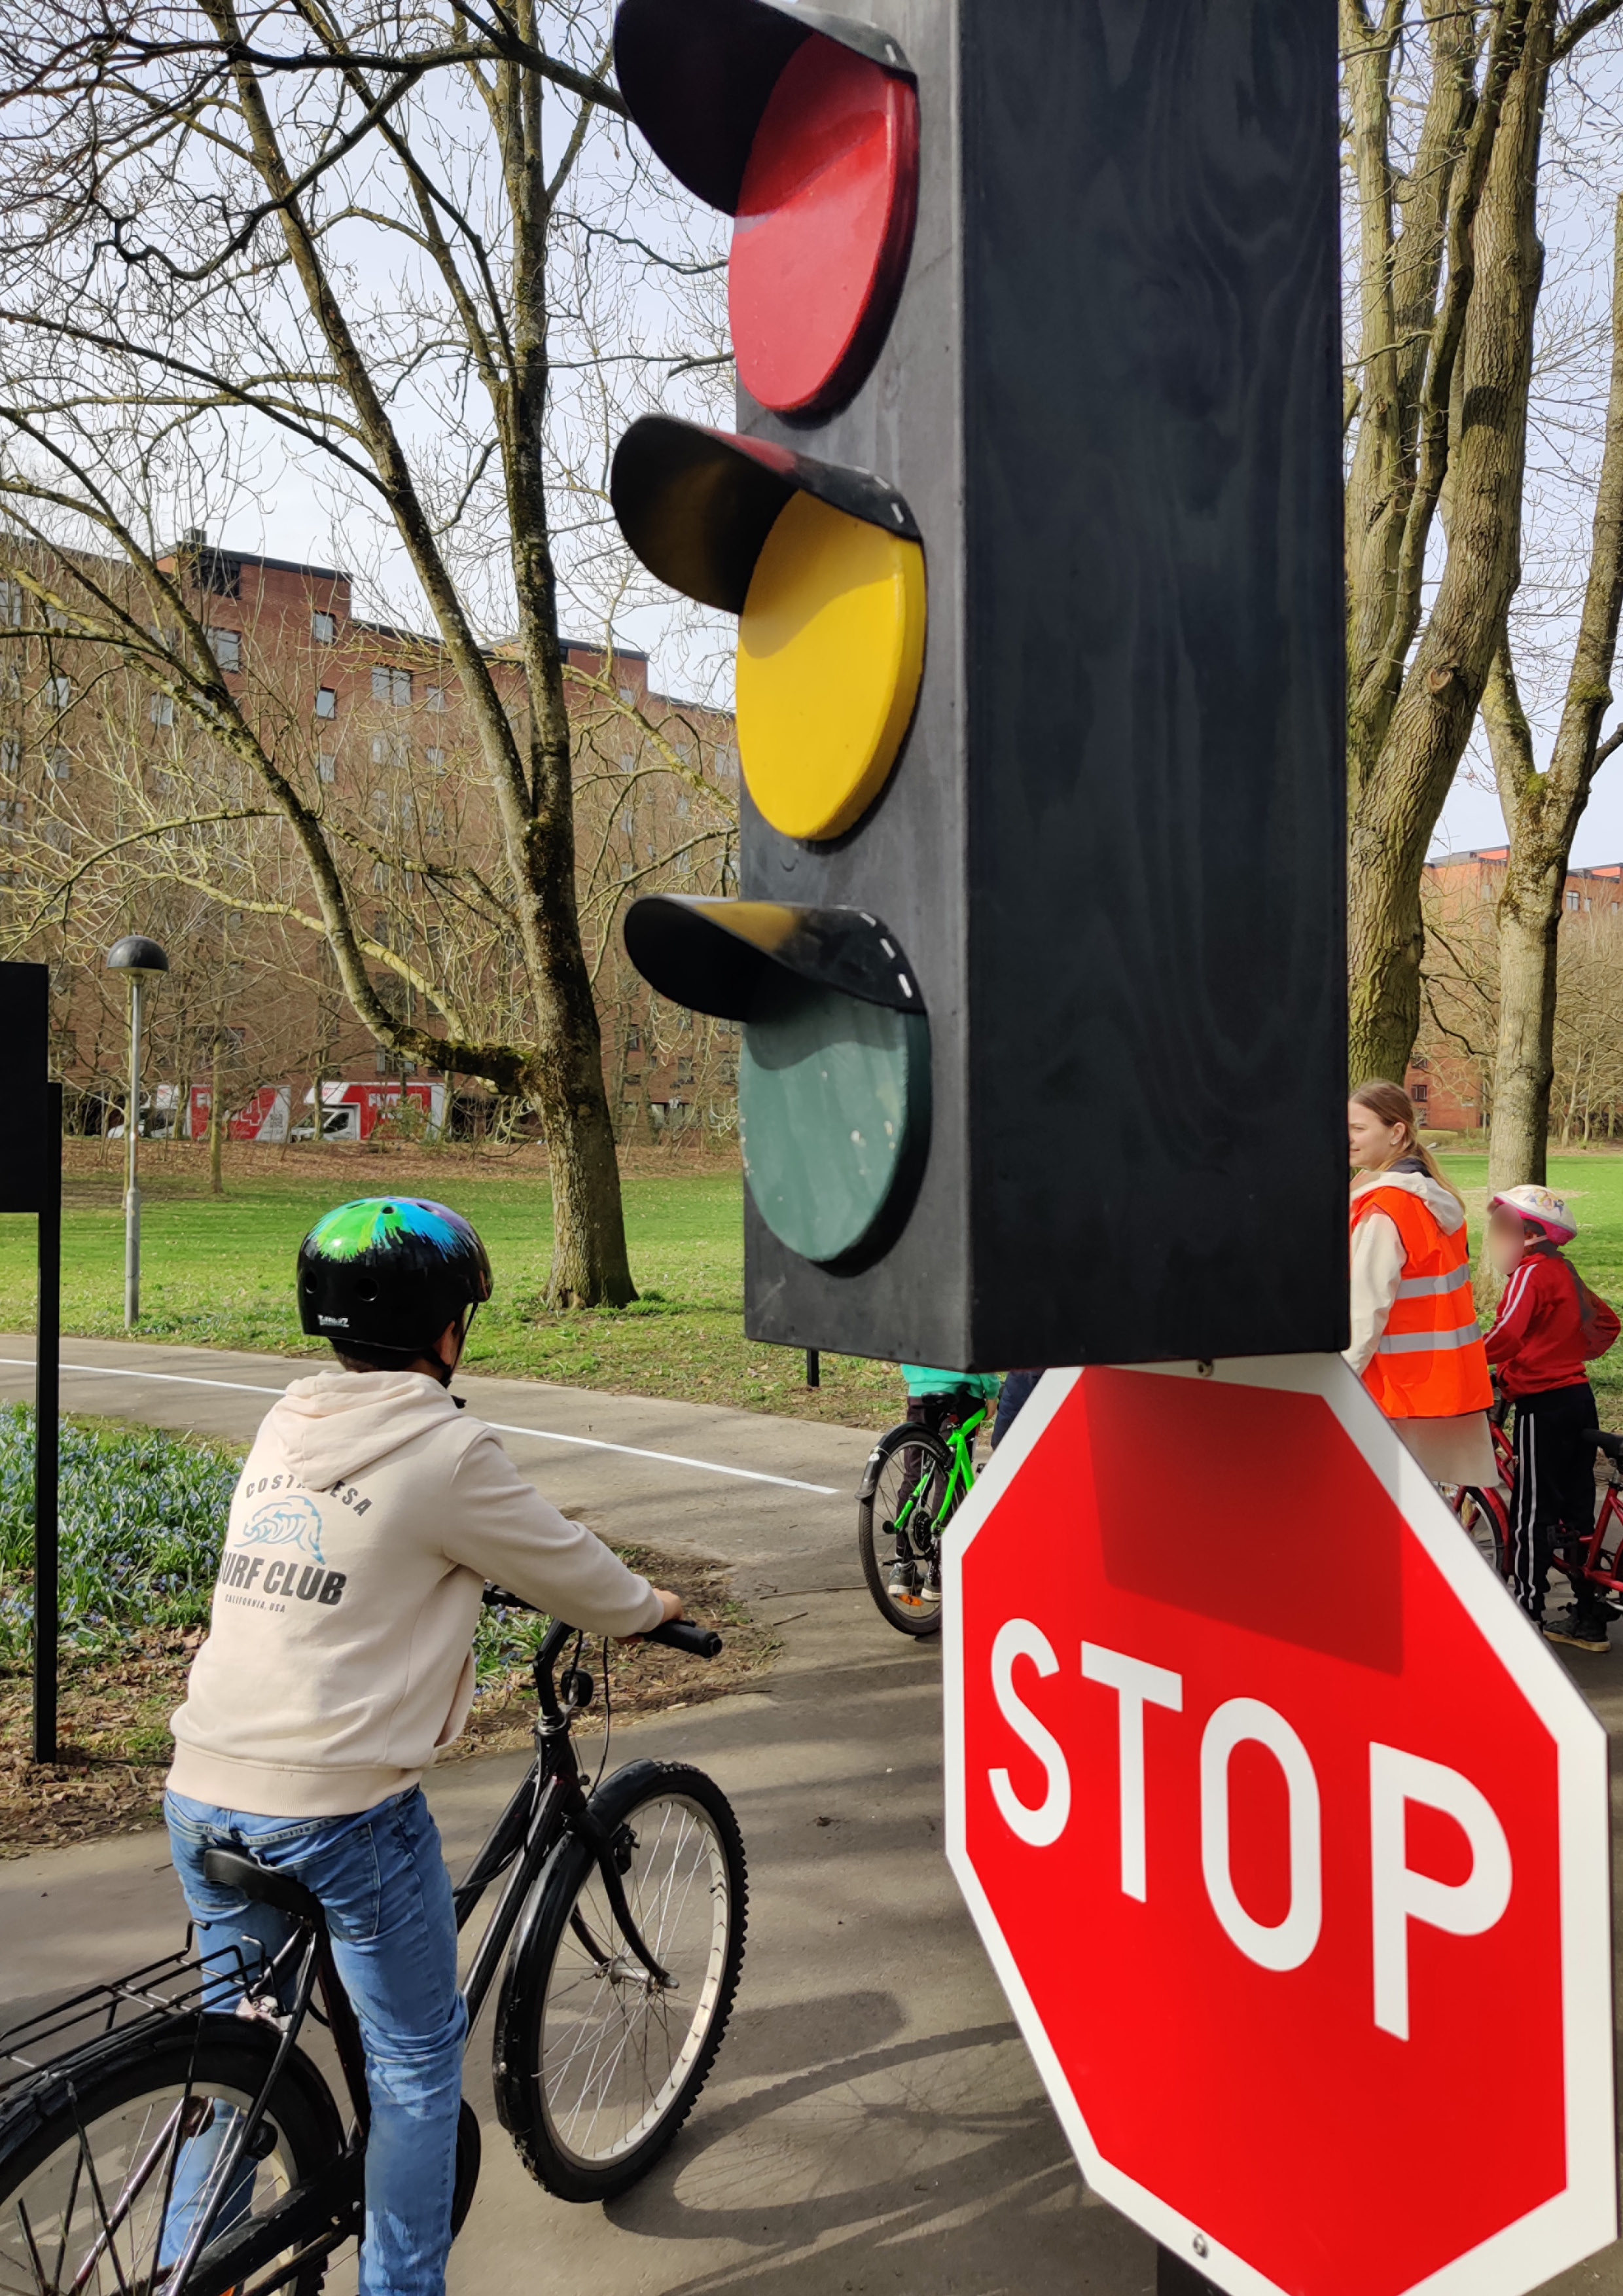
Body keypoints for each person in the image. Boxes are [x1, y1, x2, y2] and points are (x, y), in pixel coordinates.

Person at [161, 1196, 680, 2296]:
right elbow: (569, 1564)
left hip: (203, 1784)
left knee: (231, 2051)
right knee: (414, 2064)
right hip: (336, 1811)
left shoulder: (287, 1418)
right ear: (448, 1329)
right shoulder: (444, 1448)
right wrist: (645, 1607)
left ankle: (184, 2268)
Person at [1484, 1183, 1620, 1653]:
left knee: (1530, 1514)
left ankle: (1526, 1614)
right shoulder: (1565, 1271)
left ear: (1526, 1235)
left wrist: (1463, 1356)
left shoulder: (1530, 1273)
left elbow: (1504, 1336)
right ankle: (1587, 1615)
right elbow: (1606, 1324)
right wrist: (1565, 1353)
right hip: (1578, 1396)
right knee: (1578, 1509)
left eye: (1499, 1229)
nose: (1494, 1238)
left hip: (1542, 1405)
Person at [1346, 1081, 1497, 1488]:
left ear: (1395, 1133)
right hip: (1440, 1387)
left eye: (1358, 1128)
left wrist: (1340, 1379)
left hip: (1393, 1391)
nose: (1347, 1138)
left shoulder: (1386, 1208)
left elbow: (1365, 1311)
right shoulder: (1433, 1199)